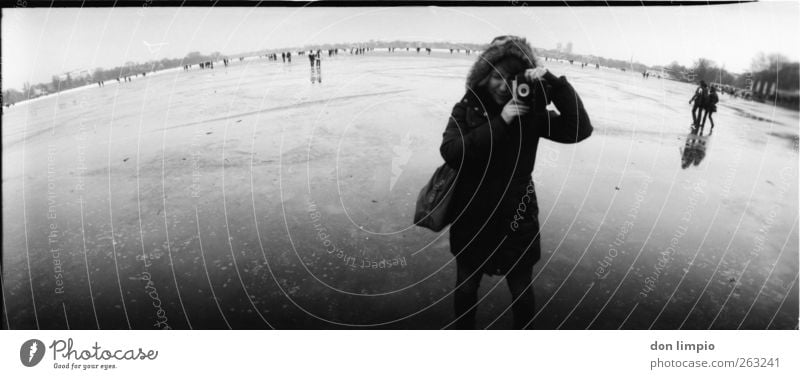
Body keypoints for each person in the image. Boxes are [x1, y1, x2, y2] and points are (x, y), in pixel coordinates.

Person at [439, 35, 593, 329]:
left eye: (511, 78)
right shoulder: (467, 108)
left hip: (517, 216)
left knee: (521, 290)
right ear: (483, 77)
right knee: (467, 286)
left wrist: (554, 83)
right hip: (473, 214)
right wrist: (501, 121)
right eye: (496, 77)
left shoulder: (530, 113)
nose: (503, 86)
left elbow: (579, 129)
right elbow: (451, 151)